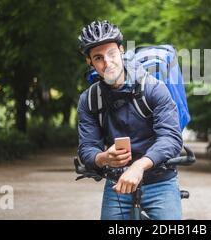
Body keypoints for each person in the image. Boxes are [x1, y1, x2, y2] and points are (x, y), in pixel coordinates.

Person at [76, 20, 183, 220]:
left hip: (160, 181)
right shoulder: (89, 100)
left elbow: (171, 138)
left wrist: (139, 165)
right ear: (90, 62)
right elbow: (87, 147)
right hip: (117, 183)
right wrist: (103, 158)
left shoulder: (153, 89)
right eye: (98, 58)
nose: (107, 63)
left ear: (122, 50)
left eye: (111, 53)